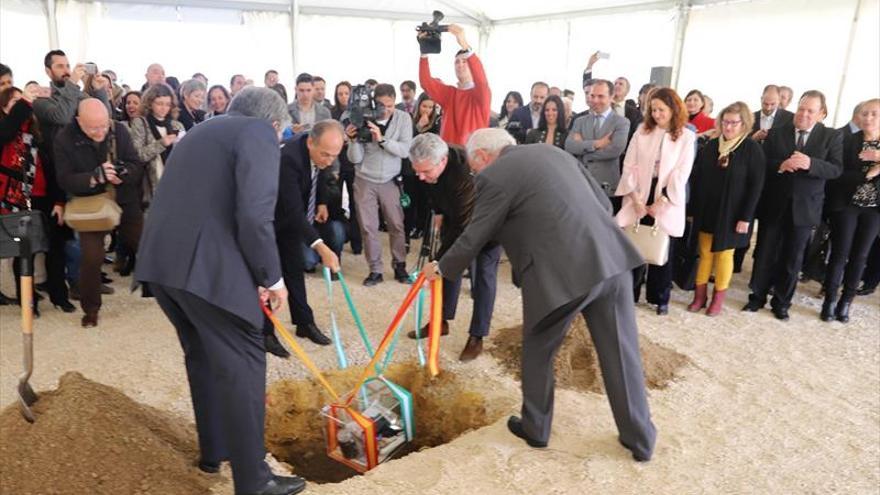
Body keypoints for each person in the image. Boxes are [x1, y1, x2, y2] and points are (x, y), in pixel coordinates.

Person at [425, 128, 656, 461]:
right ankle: (640, 438)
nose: (475, 173)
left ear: (481, 157)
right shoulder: (556, 153)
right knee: (622, 355)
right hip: (611, 259)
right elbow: (604, 203)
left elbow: (474, 235)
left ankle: (536, 428)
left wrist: (442, 268)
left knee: (538, 348)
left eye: (474, 167)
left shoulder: (494, 176)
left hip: (561, 277)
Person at [135, 87, 309, 495]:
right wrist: (272, 278)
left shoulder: (199, 132)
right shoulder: (258, 134)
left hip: (163, 266)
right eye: (282, 133)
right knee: (245, 364)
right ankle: (255, 481)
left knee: (203, 357)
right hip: (206, 272)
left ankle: (214, 453)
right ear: (274, 123)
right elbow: (254, 215)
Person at [744, 90, 843, 321]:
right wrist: (781, 165)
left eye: (810, 110)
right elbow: (763, 163)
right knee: (765, 253)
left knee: (793, 258)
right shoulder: (777, 132)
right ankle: (756, 297)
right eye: (801, 108)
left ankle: (782, 303)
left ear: (821, 114)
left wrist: (811, 163)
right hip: (775, 204)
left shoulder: (831, 136)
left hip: (806, 208)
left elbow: (836, 169)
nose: (804, 114)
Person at [408, 133, 501, 361]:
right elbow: (430, 188)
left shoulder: (463, 175)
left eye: (425, 171)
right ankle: (441, 321)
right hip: (456, 215)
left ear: (442, 161)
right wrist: (439, 211)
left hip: (488, 223)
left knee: (483, 278)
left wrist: (437, 261)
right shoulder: (429, 161)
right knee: (448, 273)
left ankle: (476, 336)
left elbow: (462, 228)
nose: (420, 176)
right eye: (416, 170)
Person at [54, 99, 144, 327]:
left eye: (104, 125)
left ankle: (168, 294)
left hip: (124, 200)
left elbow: (136, 164)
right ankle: (91, 309)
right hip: (90, 206)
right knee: (91, 259)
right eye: (93, 127)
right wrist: (94, 177)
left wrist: (121, 173)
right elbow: (64, 179)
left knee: (145, 245)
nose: (101, 131)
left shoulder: (119, 129)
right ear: (78, 121)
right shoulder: (64, 138)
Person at [615, 88, 696, 315]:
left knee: (661, 247)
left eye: (661, 109)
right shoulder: (642, 131)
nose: (657, 114)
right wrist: (636, 199)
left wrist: (663, 200)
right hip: (639, 193)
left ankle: (659, 297)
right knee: (634, 244)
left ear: (673, 109)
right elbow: (628, 165)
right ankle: (628, 293)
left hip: (667, 196)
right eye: (653, 109)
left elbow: (682, 173)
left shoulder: (686, 137)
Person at [267, 120, 345, 348]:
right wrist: (321, 247)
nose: (330, 161)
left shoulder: (319, 152)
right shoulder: (288, 159)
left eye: (334, 156)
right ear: (311, 142)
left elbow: (319, 172)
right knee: (268, 275)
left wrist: (321, 201)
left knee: (294, 268)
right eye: (326, 155)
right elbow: (292, 211)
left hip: (291, 218)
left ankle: (304, 322)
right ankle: (265, 332)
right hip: (268, 221)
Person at [0, 84, 74, 314]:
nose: (21, 106)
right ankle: (27, 300)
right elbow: (8, 129)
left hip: (44, 199)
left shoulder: (39, 133)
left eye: (21, 102)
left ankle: (59, 296)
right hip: (16, 202)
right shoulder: (4, 134)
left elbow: (54, 171)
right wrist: (23, 103)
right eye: (13, 102)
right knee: (25, 254)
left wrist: (60, 201)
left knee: (56, 249)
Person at [687, 102, 766, 316]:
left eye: (733, 123)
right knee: (704, 254)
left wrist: (746, 217)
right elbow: (698, 178)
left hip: (733, 214)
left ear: (744, 124)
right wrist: (692, 210)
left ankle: (718, 299)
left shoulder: (751, 149)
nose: (728, 127)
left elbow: (756, 187)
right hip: (707, 209)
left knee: (723, 255)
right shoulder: (712, 146)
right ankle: (699, 296)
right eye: (725, 122)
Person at [346, 83, 412, 286]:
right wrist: (353, 140)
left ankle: (400, 265)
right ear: (374, 102)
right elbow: (354, 159)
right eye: (381, 104)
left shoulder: (404, 118)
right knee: (368, 227)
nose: (385, 109)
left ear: (395, 102)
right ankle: (375, 270)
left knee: (396, 224)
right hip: (365, 178)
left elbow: (404, 150)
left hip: (390, 179)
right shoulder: (364, 117)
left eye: (390, 105)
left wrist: (382, 140)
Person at [821, 98, 880, 323]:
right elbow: (838, 174)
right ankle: (830, 301)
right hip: (846, 205)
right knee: (839, 254)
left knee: (860, 257)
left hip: (873, 210)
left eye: (874, 114)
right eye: (865, 113)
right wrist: (868, 173)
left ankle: (846, 302)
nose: (868, 118)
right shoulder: (846, 139)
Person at [418, 24, 491, 146]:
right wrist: (424, 53)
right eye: (457, 62)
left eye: (464, 61)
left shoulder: (480, 93)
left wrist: (465, 45)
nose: (460, 65)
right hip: (449, 156)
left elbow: (481, 80)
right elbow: (426, 82)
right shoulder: (450, 93)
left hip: (472, 157)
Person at [565, 79, 630, 202]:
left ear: (611, 97)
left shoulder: (621, 122)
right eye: (592, 96)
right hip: (581, 184)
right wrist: (597, 144)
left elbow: (615, 150)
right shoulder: (580, 121)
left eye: (601, 96)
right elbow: (569, 146)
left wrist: (583, 152)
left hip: (606, 187)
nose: (595, 100)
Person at [128, 84, 185, 206]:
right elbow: (138, 155)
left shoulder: (177, 125)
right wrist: (162, 143)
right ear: (150, 103)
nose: (164, 108)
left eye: (167, 104)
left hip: (175, 183)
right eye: (159, 103)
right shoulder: (140, 122)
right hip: (150, 186)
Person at [404, 91, 440, 239]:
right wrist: (418, 126)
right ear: (419, 105)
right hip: (410, 167)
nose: (427, 110)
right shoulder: (409, 120)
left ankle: (421, 228)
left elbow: (435, 145)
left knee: (424, 200)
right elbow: (407, 141)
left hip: (427, 167)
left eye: (430, 107)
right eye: (424, 106)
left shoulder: (437, 123)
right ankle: (410, 226)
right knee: (410, 200)